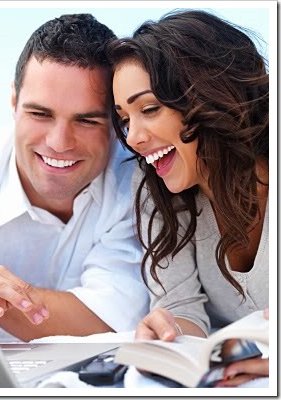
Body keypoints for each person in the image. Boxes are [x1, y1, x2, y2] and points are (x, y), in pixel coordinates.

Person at [0, 13, 149, 342]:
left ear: (118, 122)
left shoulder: (139, 186)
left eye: (87, 120)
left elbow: (107, 318)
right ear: (14, 102)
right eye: (40, 114)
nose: (59, 143)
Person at [109, 10, 269, 387]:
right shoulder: (158, 191)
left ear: (211, 97)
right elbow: (181, 307)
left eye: (149, 109)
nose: (132, 138)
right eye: (125, 118)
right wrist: (168, 333)